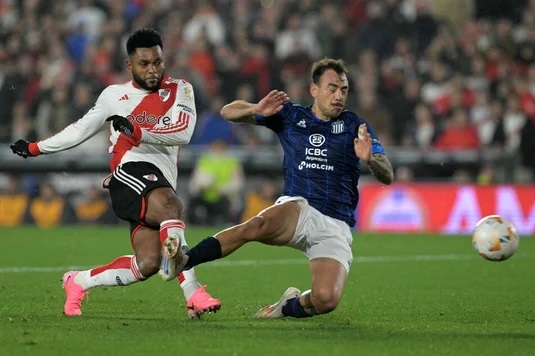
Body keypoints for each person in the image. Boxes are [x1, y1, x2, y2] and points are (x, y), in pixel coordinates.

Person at [10, 28, 221, 318]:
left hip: (159, 182)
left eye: (158, 62)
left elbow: (182, 132)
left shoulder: (180, 89)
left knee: (147, 263)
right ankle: (193, 292)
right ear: (129, 65)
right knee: (172, 206)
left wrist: (137, 131)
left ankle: (79, 280)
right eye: (144, 63)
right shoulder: (114, 96)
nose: (153, 69)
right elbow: (81, 129)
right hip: (128, 173)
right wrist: (36, 148)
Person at [160, 58, 394, 318]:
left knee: (325, 299)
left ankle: (285, 307)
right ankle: (184, 260)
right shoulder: (291, 115)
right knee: (254, 226)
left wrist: (371, 158)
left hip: (336, 222)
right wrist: (255, 107)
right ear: (314, 89)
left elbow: (387, 174)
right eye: (332, 88)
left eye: (344, 90)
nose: (338, 96)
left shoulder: (354, 126)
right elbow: (228, 112)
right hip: (299, 207)